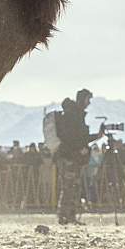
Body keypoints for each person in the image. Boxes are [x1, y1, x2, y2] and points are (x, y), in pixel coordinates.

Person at [48, 89, 93, 225]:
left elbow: (79, 137)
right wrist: (79, 150)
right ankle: (64, 217)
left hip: (72, 156)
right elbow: (72, 138)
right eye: (88, 100)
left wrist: (95, 137)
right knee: (69, 187)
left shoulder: (74, 114)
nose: (88, 103)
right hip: (69, 157)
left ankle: (70, 216)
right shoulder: (73, 115)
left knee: (74, 187)